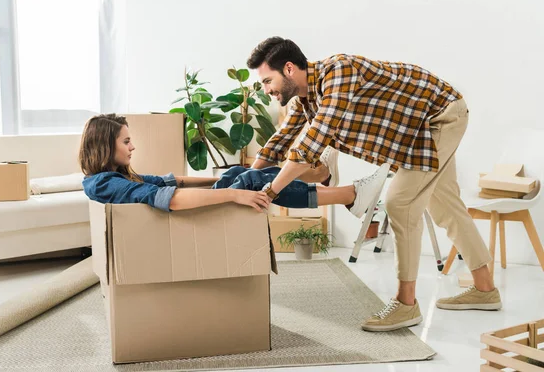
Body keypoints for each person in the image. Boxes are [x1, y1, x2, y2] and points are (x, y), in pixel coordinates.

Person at [246, 37, 501, 332]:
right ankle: (485, 290)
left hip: (440, 117)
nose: (266, 91)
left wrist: (270, 191)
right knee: (445, 207)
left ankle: (406, 305)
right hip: (419, 129)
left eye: (267, 81)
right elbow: (280, 143)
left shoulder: (338, 73)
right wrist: (248, 179)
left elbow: (310, 144)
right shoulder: (305, 101)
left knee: (400, 203)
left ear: (289, 69)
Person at [78, 113, 385, 214]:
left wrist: (220, 180)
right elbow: (168, 200)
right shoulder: (105, 183)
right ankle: (349, 194)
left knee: (240, 172)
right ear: (106, 145)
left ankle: (322, 178)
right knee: (249, 182)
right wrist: (233, 193)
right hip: (177, 219)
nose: (133, 146)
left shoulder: (112, 177)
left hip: (180, 209)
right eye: (126, 141)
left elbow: (171, 183)